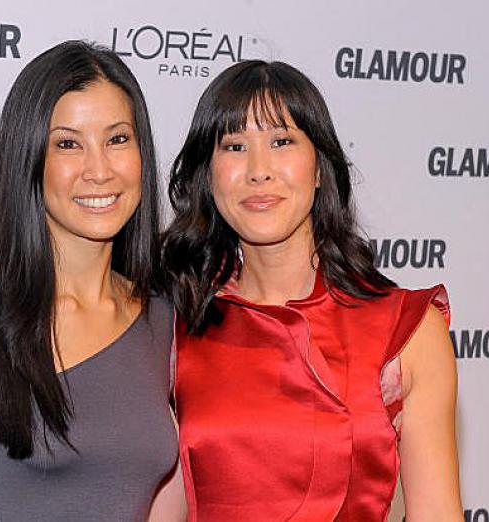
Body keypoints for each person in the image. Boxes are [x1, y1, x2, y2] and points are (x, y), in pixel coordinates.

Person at [0, 41, 184, 522]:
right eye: (68, 143)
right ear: (30, 159)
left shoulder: (162, 320)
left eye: (117, 139)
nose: (99, 170)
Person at [162, 60, 463, 521]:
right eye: (235, 146)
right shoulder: (176, 324)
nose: (259, 170)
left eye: (282, 141)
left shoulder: (405, 329)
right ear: (209, 176)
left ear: (320, 167)